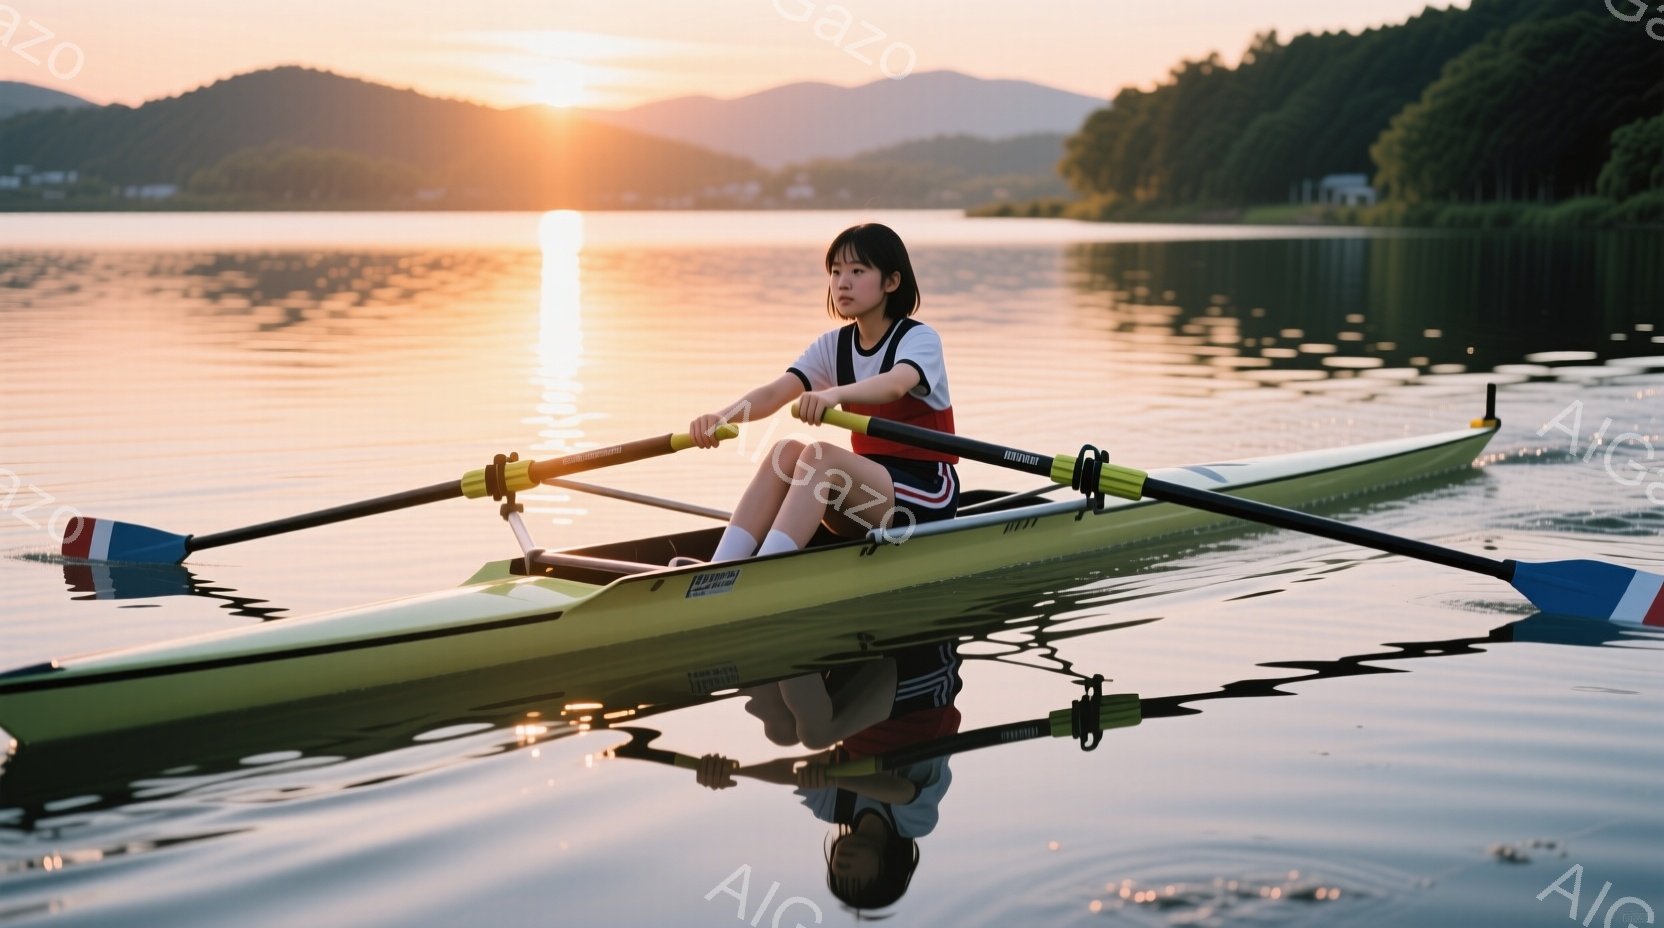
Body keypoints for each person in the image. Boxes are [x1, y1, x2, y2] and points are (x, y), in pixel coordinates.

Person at [687, 222, 959, 563]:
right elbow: (773, 394)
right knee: (785, 452)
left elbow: (895, 384)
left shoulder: (919, 339)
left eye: (857, 271)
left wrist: (833, 395)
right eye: (835, 271)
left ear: (891, 281)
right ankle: (722, 568)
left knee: (820, 455)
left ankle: (765, 573)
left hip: (927, 496)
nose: (842, 282)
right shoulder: (833, 346)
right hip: (865, 499)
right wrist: (721, 417)